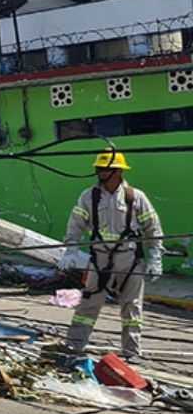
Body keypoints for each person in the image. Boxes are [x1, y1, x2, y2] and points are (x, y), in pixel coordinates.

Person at [61, 149, 164, 360]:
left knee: (132, 309)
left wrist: (155, 257)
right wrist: (69, 251)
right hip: (100, 260)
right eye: (98, 168)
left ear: (117, 171)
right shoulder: (89, 196)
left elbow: (153, 228)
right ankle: (73, 346)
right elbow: (75, 225)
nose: (100, 172)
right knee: (88, 304)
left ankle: (131, 353)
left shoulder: (135, 197)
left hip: (130, 260)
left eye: (104, 168)